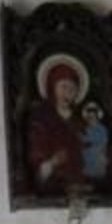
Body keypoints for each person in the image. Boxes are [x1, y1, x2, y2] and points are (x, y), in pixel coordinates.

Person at [26, 60, 87, 195]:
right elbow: (36, 156)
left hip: (78, 182)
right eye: (63, 87)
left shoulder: (80, 120)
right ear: (53, 88)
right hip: (51, 184)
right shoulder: (41, 120)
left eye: (72, 89)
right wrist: (53, 162)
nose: (67, 93)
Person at [81, 101, 109, 179]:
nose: (91, 119)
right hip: (86, 164)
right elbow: (82, 143)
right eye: (89, 117)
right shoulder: (85, 129)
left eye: (93, 116)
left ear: (97, 117)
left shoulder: (102, 129)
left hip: (98, 162)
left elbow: (103, 145)